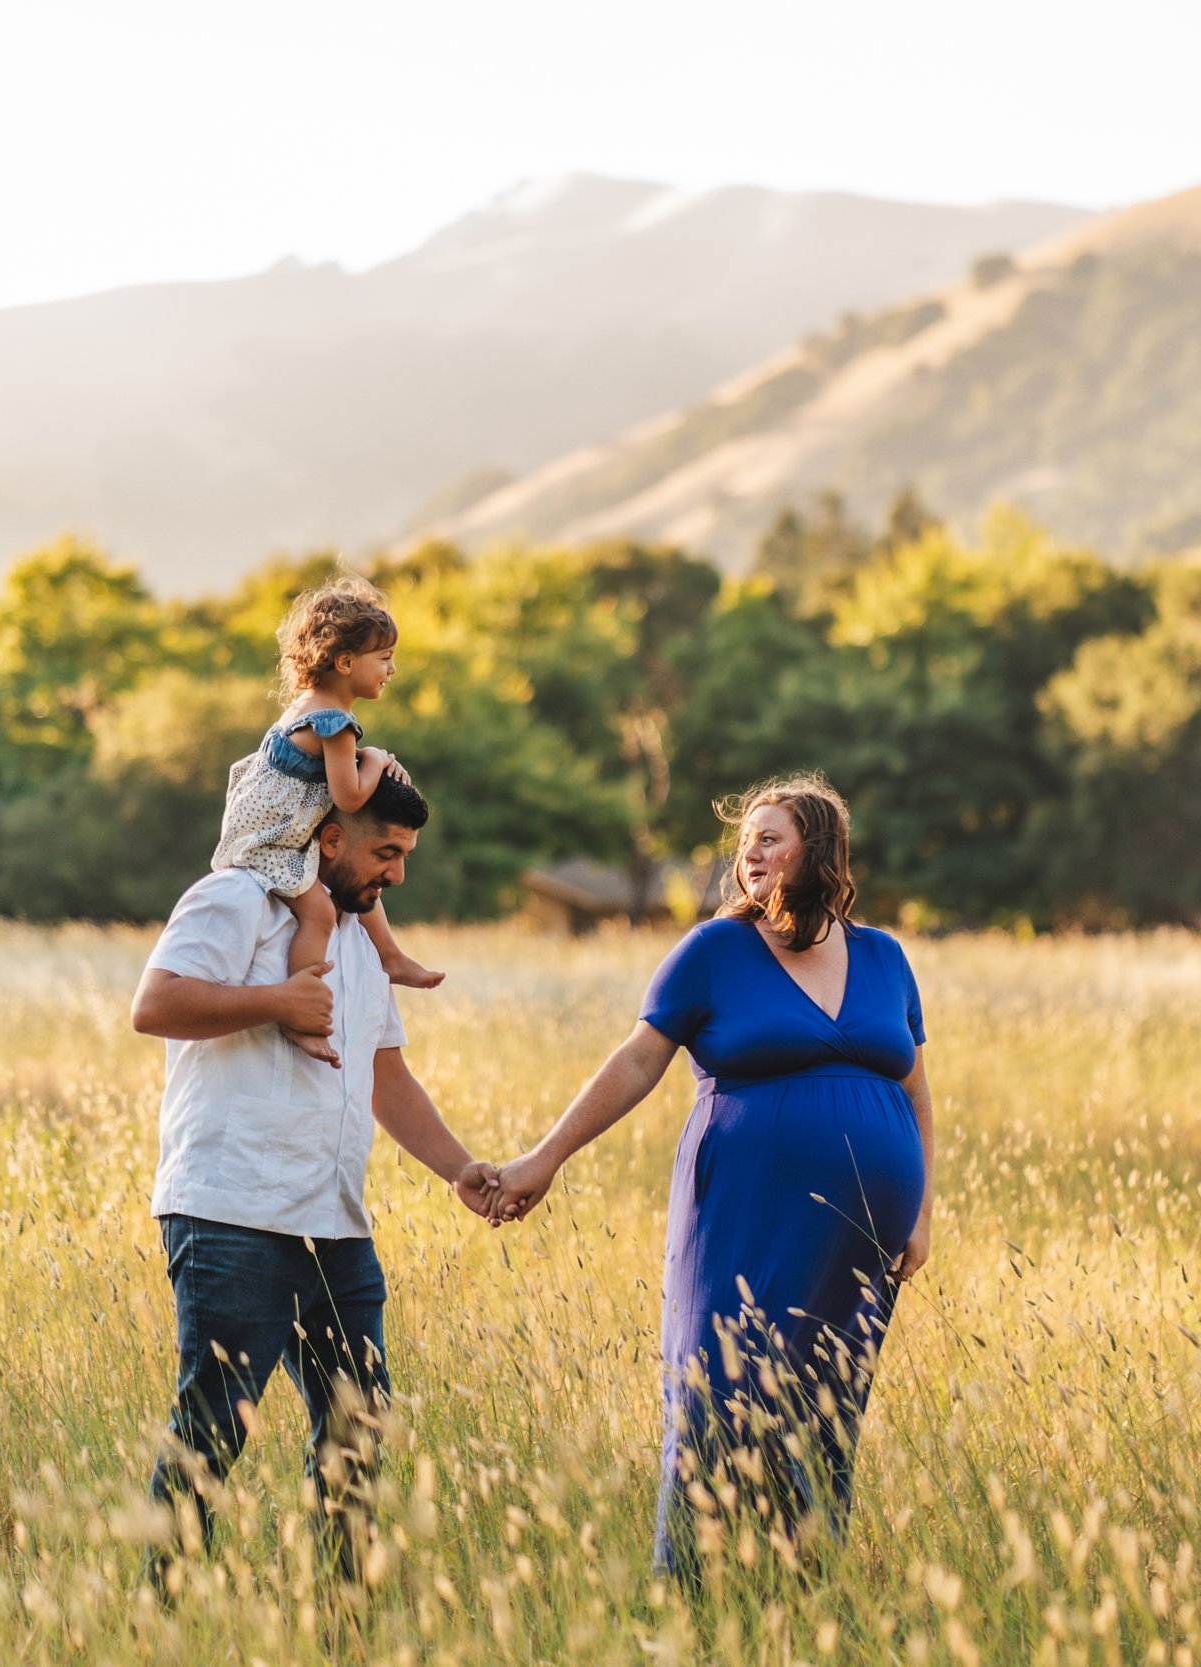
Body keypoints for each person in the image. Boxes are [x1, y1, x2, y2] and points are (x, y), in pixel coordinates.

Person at [490, 774, 935, 1575]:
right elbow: (635, 1061)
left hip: (861, 1234)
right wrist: (543, 1156)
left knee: (823, 1403)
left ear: (821, 848)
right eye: (745, 841)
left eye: (771, 837)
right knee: (719, 1390)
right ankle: (694, 1586)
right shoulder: (714, 951)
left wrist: (924, 1209)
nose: (751, 853)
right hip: (742, 1210)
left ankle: (798, 1582)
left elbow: (914, 1090)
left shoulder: (884, 957)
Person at [132, 772, 494, 1586]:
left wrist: (459, 1168)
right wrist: (275, 1002)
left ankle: (340, 1617)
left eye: (404, 856)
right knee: (216, 1426)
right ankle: (159, 1613)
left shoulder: (360, 934)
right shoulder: (235, 898)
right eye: (386, 852)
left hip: (335, 1224)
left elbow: (385, 1075)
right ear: (329, 838)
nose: (396, 873)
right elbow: (153, 1003)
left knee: (360, 1423)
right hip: (233, 1211)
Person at [211, 574, 441, 1066]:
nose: (392, 669)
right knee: (320, 912)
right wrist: (375, 758)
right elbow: (350, 798)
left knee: (355, 878)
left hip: (274, 825)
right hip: (272, 841)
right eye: (384, 658)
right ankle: (300, 1015)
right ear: (345, 662)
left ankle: (391, 957)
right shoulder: (336, 724)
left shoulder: (305, 706)